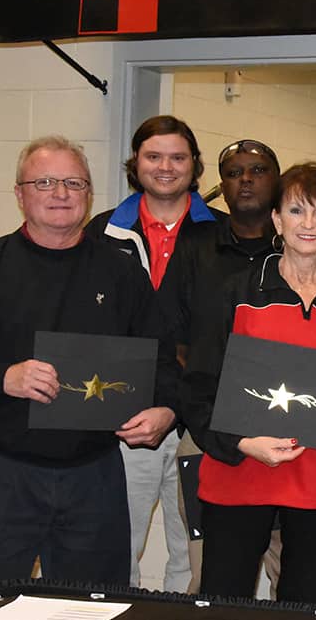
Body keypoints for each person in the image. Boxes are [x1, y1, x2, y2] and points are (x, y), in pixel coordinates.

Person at [0, 135, 179, 592]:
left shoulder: (122, 273)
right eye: (44, 182)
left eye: (73, 182)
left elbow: (163, 358)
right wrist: (3, 377)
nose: (60, 193)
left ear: (88, 194)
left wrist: (165, 409)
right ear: (20, 194)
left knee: (94, 615)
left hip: (94, 475)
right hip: (0, 475)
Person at [181, 162, 316, 605]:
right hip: (242, 475)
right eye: (296, 211)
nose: (308, 224)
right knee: (224, 610)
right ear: (276, 219)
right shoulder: (235, 293)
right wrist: (239, 442)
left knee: (303, 616)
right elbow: (198, 388)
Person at [88, 115, 222, 593]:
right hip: (129, 421)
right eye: (153, 156)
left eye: (178, 157)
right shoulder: (102, 232)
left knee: (194, 552)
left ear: (194, 166)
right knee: (118, 546)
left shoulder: (221, 235)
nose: (166, 166)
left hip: (200, 423)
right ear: (135, 163)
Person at [159, 137, 282, 594]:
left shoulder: (302, 248)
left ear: (277, 181)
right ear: (221, 185)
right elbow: (174, 337)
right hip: (208, 434)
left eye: (257, 170)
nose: (245, 180)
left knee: (288, 574)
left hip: (289, 428)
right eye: (233, 173)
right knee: (209, 575)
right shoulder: (195, 249)